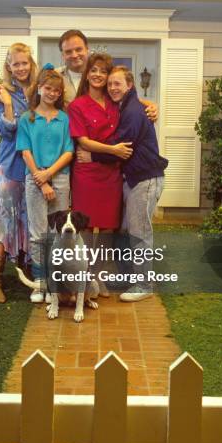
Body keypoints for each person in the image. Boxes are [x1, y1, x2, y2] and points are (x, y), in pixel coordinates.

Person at [77, 65, 168, 302]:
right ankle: (134, 278)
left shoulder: (133, 111)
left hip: (145, 178)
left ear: (130, 85)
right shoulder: (126, 106)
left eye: (118, 83)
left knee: (140, 231)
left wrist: (92, 156)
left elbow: (122, 146)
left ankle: (144, 285)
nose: (112, 88)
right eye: (110, 84)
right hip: (135, 179)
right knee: (129, 230)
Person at [67, 53, 134, 295]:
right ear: (87, 74)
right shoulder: (77, 105)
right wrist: (112, 150)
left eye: (103, 71)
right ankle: (83, 279)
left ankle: (98, 277)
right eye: (93, 70)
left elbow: (136, 100)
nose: (98, 75)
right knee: (85, 227)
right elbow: (83, 141)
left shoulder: (115, 102)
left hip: (112, 174)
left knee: (107, 228)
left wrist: (152, 106)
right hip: (86, 174)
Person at [0, 43, 38, 304]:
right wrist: (7, 105)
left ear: (31, 63)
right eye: (15, 64)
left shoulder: (40, 91)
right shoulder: (1, 93)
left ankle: (28, 273)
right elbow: (7, 132)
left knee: (29, 219)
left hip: (34, 165)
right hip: (9, 165)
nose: (20, 68)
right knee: (4, 219)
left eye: (24, 63)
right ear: (9, 66)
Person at [16, 65, 74, 303]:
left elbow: (69, 151)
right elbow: (25, 151)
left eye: (57, 91)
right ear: (39, 88)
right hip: (34, 178)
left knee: (57, 233)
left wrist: (49, 174)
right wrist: (40, 178)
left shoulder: (64, 119)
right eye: (48, 88)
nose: (52, 93)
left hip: (60, 178)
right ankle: (40, 283)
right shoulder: (27, 119)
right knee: (38, 232)